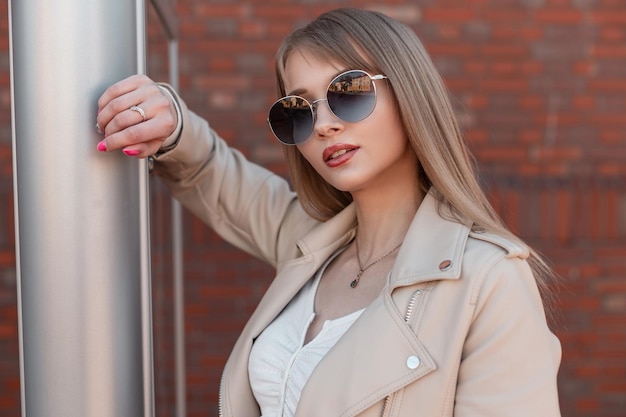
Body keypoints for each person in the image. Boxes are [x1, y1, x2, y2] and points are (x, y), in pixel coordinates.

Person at [95, 8, 561, 417]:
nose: (324, 124)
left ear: (409, 92)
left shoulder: (488, 280)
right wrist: (167, 121)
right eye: (299, 109)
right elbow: (211, 171)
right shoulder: (310, 242)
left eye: (349, 91)